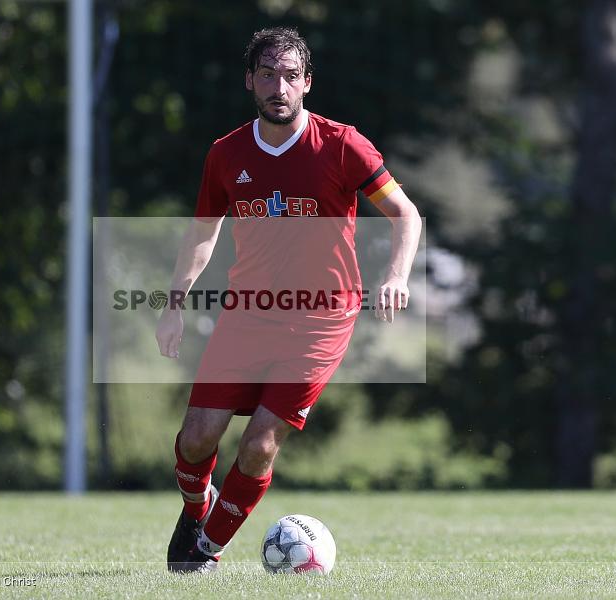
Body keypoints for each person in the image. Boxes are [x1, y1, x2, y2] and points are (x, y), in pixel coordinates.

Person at [155, 27, 423, 573]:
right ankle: (196, 506)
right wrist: (175, 302)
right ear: (250, 81)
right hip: (247, 315)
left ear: (307, 83)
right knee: (197, 436)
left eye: (292, 76)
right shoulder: (226, 154)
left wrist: (396, 274)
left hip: (321, 320)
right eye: (269, 75)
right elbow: (203, 233)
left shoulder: (342, 144)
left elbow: (406, 214)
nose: (281, 86)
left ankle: (205, 550)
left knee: (258, 444)